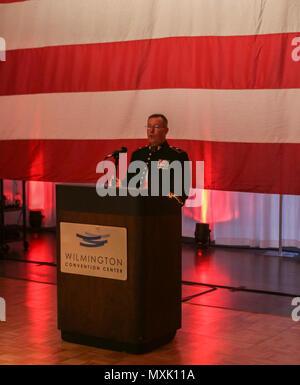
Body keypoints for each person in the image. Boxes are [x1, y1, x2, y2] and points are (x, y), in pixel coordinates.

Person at [126, 113, 190, 206]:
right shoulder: (138, 154)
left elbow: (182, 191)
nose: (151, 131)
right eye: (148, 127)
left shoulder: (176, 156)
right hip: (136, 209)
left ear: (166, 131)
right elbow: (130, 184)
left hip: (163, 210)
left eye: (156, 127)